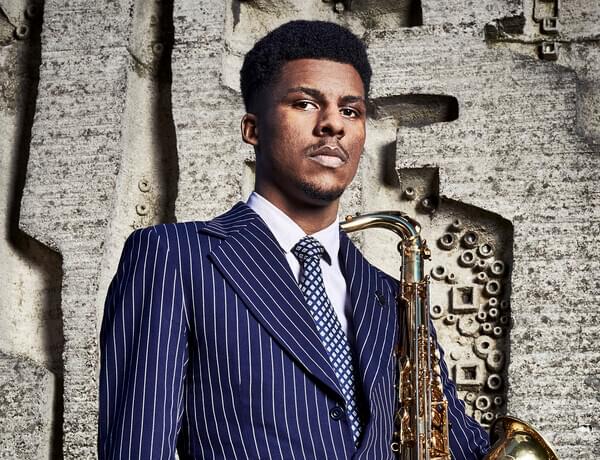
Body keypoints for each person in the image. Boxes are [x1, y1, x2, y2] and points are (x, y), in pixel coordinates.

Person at [99, 20, 490, 459]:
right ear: (253, 129)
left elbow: (459, 444)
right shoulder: (174, 256)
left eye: (351, 111)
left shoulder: (395, 297)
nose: (333, 124)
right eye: (305, 103)